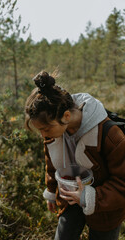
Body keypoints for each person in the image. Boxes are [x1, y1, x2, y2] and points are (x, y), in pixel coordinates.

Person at [24, 71, 125, 240]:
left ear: (67, 116)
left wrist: (88, 197)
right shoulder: (52, 129)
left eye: (46, 129)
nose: (43, 135)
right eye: (40, 130)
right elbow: (52, 164)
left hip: (105, 207)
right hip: (69, 198)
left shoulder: (110, 135)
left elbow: (123, 183)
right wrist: (51, 190)